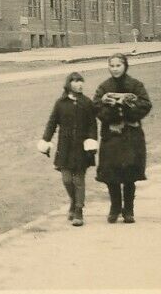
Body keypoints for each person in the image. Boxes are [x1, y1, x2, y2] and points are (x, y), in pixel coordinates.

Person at [93, 54, 152, 223]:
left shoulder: (135, 85)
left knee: (129, 173)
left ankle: (129, 210)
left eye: (118, 65)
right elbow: (96, 107)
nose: (115, 68)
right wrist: (110, 112)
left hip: (131, 137)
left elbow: (145, 105)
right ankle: (115, 207)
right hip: (112, 136)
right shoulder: (104, 87)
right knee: (111, 173)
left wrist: (127, 107)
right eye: (112, 65)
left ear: (125, 66)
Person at [38, 70, 99, 227]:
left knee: (79, 179)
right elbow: (52, 123)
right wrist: (45, 140)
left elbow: (93, 124)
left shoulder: (87, 103)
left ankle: (79, 210)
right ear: (68, 84)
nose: (79, 84)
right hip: (65, 148)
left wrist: (91, 140)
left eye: (81, 81)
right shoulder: (60, 103)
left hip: (82, 148)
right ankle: (74, 201)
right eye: (76, 81)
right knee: (66, 179)